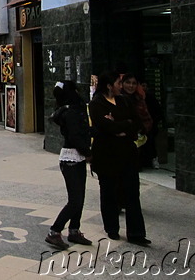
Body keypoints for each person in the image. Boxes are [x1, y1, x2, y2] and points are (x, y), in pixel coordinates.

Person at [89, 70, 150, 246]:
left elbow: (136, 122)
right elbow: (104, 126)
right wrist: (120, 125)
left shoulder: (124, 100)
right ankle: (112, 228)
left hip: (127, 154)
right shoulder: (96, 103)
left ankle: (136, 233)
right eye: (118, 83)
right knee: (108, 192)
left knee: (132, 193)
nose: (121, 86)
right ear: (109, 85)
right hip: (106, 155)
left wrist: (121, 125)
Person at [45, 81, 93, 250]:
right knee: (75, 200)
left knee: (80, 196)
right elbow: (75, 136)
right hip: (71, 158)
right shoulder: (70, 112)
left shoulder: (70, 110)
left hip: (76, 158)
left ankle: (74, 230)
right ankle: (54, 232)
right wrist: (87, 152)